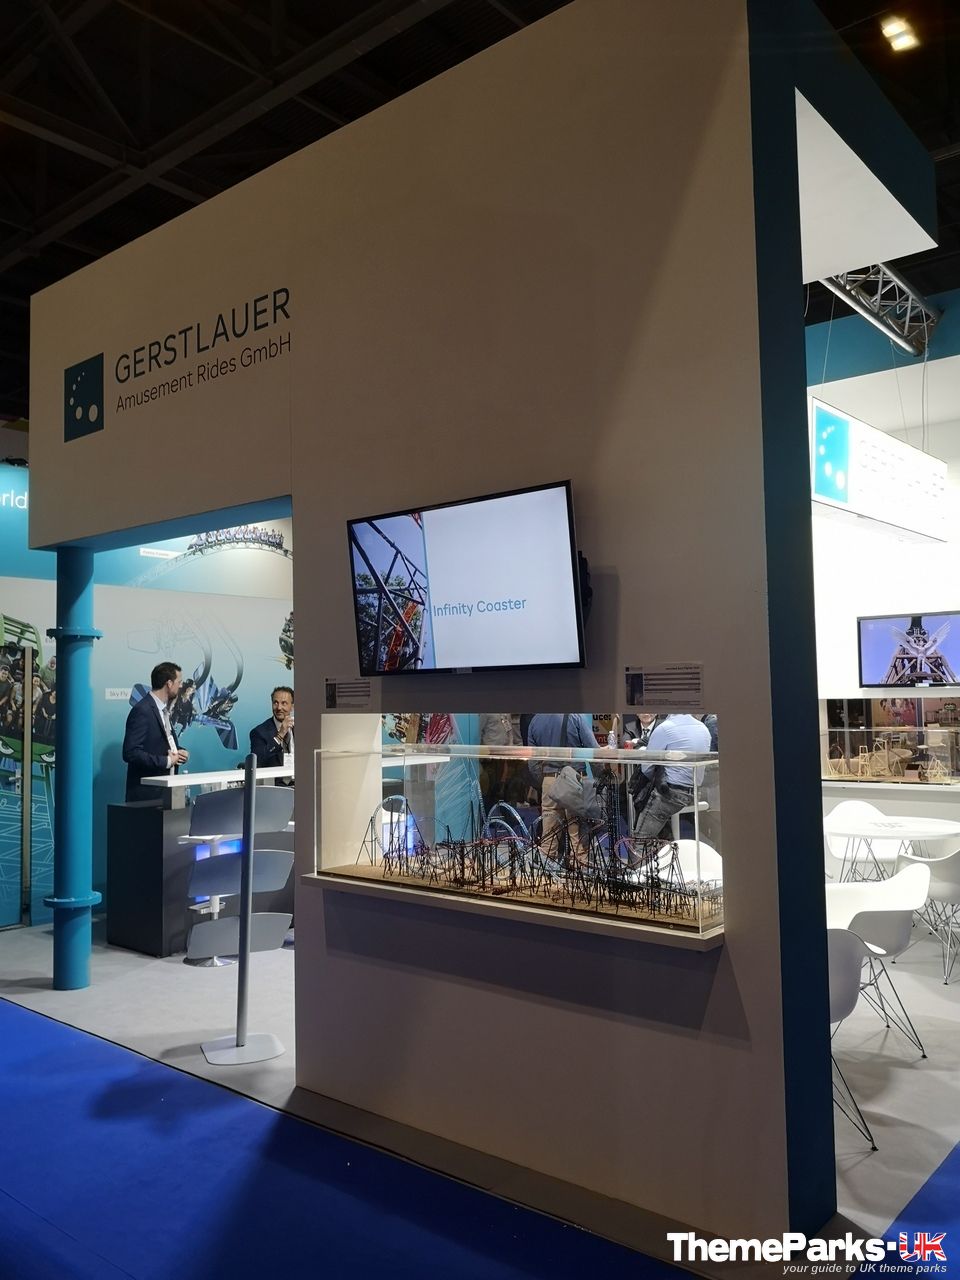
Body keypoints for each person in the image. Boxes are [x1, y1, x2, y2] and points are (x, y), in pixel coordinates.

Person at [527, 712, 599, 865]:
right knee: (577, 832)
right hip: (574, 780)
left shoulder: (536, 720)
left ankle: (547, 871)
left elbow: (533, 762)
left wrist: (546, 780)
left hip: (550, 780)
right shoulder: (576, 717)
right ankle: (579, 870)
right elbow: (593, 750)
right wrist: (599, 779)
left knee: (549, 833)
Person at [632, 712, 711, 840]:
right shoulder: (703, 728)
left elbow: (646, 768)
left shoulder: (665, 728)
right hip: (694, 793)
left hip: (670, 794)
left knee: (640, 841)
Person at [122, 662, 189, 802]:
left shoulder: (163, 710)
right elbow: (131, 752)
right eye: (179, 682)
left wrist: (179, 752)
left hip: (167, 793)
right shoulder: (142, 710)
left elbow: (161, 744)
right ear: (169, 683)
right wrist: (166, 761)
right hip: (147, 797)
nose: (181, 686)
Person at [250, 686, 295, 784]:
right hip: (275, 787)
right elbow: (257, 761)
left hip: (302, 785)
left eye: (284, 703)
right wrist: (280, 735)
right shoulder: (259, 732)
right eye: (275, 703)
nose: (279, 708)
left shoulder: (301, 729)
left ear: (292, 706)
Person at [478, 713, 517, 808]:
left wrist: (510, 747)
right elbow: (479, 731)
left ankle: (501, 812)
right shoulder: (485, 713)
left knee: (501, 788)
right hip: (490, 757)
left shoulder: (506, 712)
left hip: (503, 756)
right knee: (489, 789)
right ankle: (487, 813)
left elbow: (509, 730)